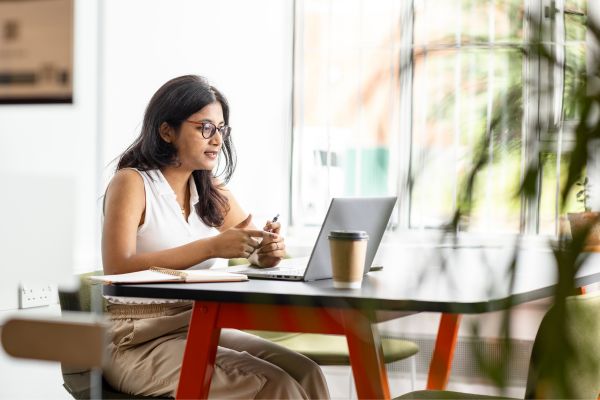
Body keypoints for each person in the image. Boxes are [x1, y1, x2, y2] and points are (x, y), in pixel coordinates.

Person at [101, 75, 330, 399]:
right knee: (276, 386)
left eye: (221, 129)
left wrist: (266, 251)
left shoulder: (211, 190)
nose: (217, 139)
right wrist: (210, 246)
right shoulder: (132, 183)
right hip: (135, 340)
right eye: (205, 128)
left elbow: (253, 245)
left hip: (197, 327)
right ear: (167, 131)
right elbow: (118, 268)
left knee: (306, 372)